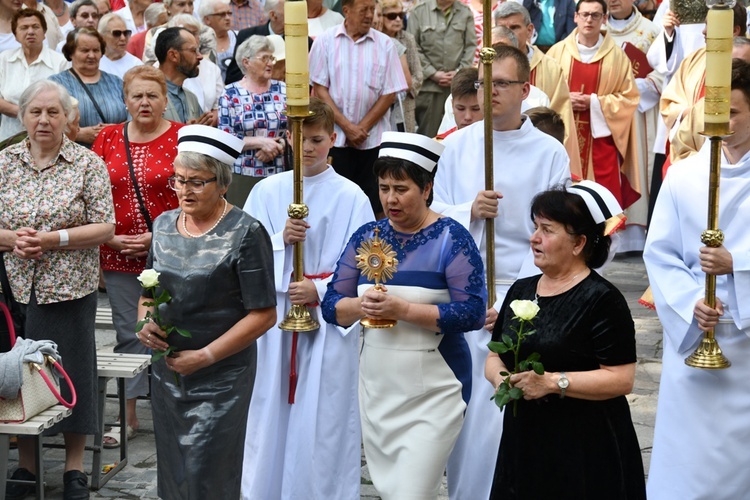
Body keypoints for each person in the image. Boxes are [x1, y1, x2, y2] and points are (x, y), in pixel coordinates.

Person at [433, 44, 570, 500]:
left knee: (512, 409)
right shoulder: (456, 145)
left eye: (502, 84)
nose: (488, 92)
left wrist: (521, 296)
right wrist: (468, 209)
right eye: (482, 84)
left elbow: (557, 228)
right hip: (466, 289)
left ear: (525, 89)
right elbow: (433, 216)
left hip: (525, 291)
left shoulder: (549, 151)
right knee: (468, 413)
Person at [322, 131, 487, 499]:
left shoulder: (452, 238)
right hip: (378, 386)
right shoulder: (368, 236)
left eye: (401, 188)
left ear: (426, 188)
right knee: (392, 490)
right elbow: (332, 304)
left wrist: (405, 310)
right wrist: (359, 306)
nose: (390, 199)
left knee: (412, 492)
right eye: (384, 188)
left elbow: (473, 312)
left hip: (437, 387)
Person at [241, 98, 373, 500]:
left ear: (333, 140)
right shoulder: (267, 190)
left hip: (329, 320)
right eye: (301, 139)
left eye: (318, 139)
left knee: (325, 418)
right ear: (287, 138)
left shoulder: (353, 196)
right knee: (268, 411)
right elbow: (243, 256)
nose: (309, 147)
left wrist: (320, 288)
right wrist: (281, 245)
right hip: (275, 317)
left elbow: (368, 265)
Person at [136, 124, 276, 498]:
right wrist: (146, 320)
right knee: (175, 472)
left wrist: (206, 356)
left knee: (207, 473)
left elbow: (264, 314)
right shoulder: (164, 225)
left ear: (223, 183)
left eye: (196, 182)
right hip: (169, 372)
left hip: (221, 376)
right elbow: (150, 290)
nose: (184, 190)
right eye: (179, 180)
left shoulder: (246, 232)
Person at [486, 183, 645, 499]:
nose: (534, 238)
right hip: (524, 440)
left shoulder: (602, 300)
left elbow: (621, 379)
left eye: (547, 229)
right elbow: (495, 356)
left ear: (579, 243)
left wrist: (552, 383)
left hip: (585, 445)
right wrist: (502, 379)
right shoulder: (521, 290)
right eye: (535, 228)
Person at [0, 79, 115, 500]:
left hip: (68, 289)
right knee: (19, 375)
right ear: (22, 116)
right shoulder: (4, 162)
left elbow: (106, 226)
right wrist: (12, 240)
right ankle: (27, 467)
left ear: (70, 118)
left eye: (54, 112)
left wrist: (53, 240)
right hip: (13, 288)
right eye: (36, 112)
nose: (44, 120)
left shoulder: (87, 164)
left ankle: (73, 469)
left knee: (71, 371)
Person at [644, 58, 750, 500]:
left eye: (735, 112)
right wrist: (691, 302)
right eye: (714, 109)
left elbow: (731, 260)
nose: (721, 120)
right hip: (695, 334)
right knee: (687, 463)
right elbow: (660, 253)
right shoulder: (685, 175)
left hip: (745, 341)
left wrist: (738, 264)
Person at [91, 65, 183, 448]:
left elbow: (192, 196)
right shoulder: (109, 138)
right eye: (136, 96)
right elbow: (92, 195)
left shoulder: (181, 138)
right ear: (125, 100)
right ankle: (127, 419)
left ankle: (173, 412)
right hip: (117, 255)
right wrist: (109, 239)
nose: (144, 102)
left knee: (174, 331)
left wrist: (154, 237)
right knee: (130, 333)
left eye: (152, 95)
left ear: (165, 99)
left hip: (171, 254)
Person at [309, 0, 407, 216]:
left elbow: (390, 92)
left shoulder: (385, 44)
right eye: (364, 10)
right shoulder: (325, 41)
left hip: (372, 139)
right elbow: (320, 88)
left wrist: (361, 127)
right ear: (346, 10)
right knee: (335, 202)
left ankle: (375, 247)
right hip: (336, 139)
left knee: (374, 201)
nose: (370, 16)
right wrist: (347, 127)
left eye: (372, 10)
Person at [547, 0, 641, 210]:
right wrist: (564, 99)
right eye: (585, 14)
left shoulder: (617, 57)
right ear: (575, 17)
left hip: (600, 141)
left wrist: (593, 102)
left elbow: (629, 98)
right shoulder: (556, 53)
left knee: (603, 203)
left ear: (604, 19)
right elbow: (543, 94)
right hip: (564, 139)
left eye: (595, 15)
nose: (589, 20)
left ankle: (605, 241)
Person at [494, 2, 581, 178]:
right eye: (503, 28)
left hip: (538, 158)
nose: (509, 34)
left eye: (514, 27)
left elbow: (559, 118)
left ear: (529, 29)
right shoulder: (484, 68)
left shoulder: (551, 68)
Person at [604, 0, 662, 252]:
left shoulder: (650, 31)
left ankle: (635, 237)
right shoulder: (596, 29)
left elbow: (664, 72)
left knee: (636, 167)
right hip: (604, 113)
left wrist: (634, 89)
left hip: (638, 116)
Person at [218, 35, 287, 206]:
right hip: (242, 174)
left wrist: (279, 145)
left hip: (279, 171)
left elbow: (296, 129)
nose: (270, 63)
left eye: (271, 57)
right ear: (246, 62)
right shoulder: (230, 94)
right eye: (264, 58)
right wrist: (261, 142)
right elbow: (225, 138)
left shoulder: (284, 90)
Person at [406, 0, 474, 138]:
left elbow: (470, 46)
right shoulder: (419, 12)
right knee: (429, 137)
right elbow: (412, 47)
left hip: (457, 88)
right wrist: (432, 73)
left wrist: (459, 73)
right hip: (429, 88)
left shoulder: (465, 12)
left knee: (459, 135)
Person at [49, 27, 128, 147]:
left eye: (96, 50)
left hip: (114, 153)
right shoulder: (56, 84)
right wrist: (77, 134)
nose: (91, 55)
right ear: (71, 52)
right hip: (74, 156)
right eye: (85, 50)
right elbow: (48, 121)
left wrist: (117, 130)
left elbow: (134, 117)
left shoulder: (116, 83)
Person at [0, 8, 67, 141]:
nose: (30, 31)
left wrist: (33, 115)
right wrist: (23, 113)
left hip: (47, 137)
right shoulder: (4, 59)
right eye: (24, 28)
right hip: (9, 138)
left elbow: (65, 102)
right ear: (15, 35)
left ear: (44, 33)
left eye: (35, 27)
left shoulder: (59, 62)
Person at [378, 0, 421, 133]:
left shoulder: (408, 39)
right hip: (377, 107)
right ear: (380, 17)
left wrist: (398, 92)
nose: (397, 19)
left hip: (404, 105)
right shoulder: (375, 39)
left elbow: (418, 76)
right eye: (392, 16)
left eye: (401, 15)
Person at [224, 0, 286, 85]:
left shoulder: (303, 42)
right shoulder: (247, 36)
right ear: (273, 15)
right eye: (290, 13)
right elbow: (233, 76)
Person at [153, 26, 204, 123]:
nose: (200, 56)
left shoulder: (191, 97)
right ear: (173, 55)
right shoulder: (147, 95)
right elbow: (139, 135)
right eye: (193, 51)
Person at [435, 67, 481, 139]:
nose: (467, 117)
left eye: (475, 109)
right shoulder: (443, 144)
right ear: (452, 105)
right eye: (461, 109)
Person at [98, 12, 143, 78]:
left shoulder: (136, 66)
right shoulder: (94, 61)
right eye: (117, 33)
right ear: (102, 36)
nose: (123, 38)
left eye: (126, 33)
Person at [199, 0, 235, 82]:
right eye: (222, 14)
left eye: (229, 13)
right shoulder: (198, 41)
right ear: (207, 19)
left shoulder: (238, 37)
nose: (227, 18)